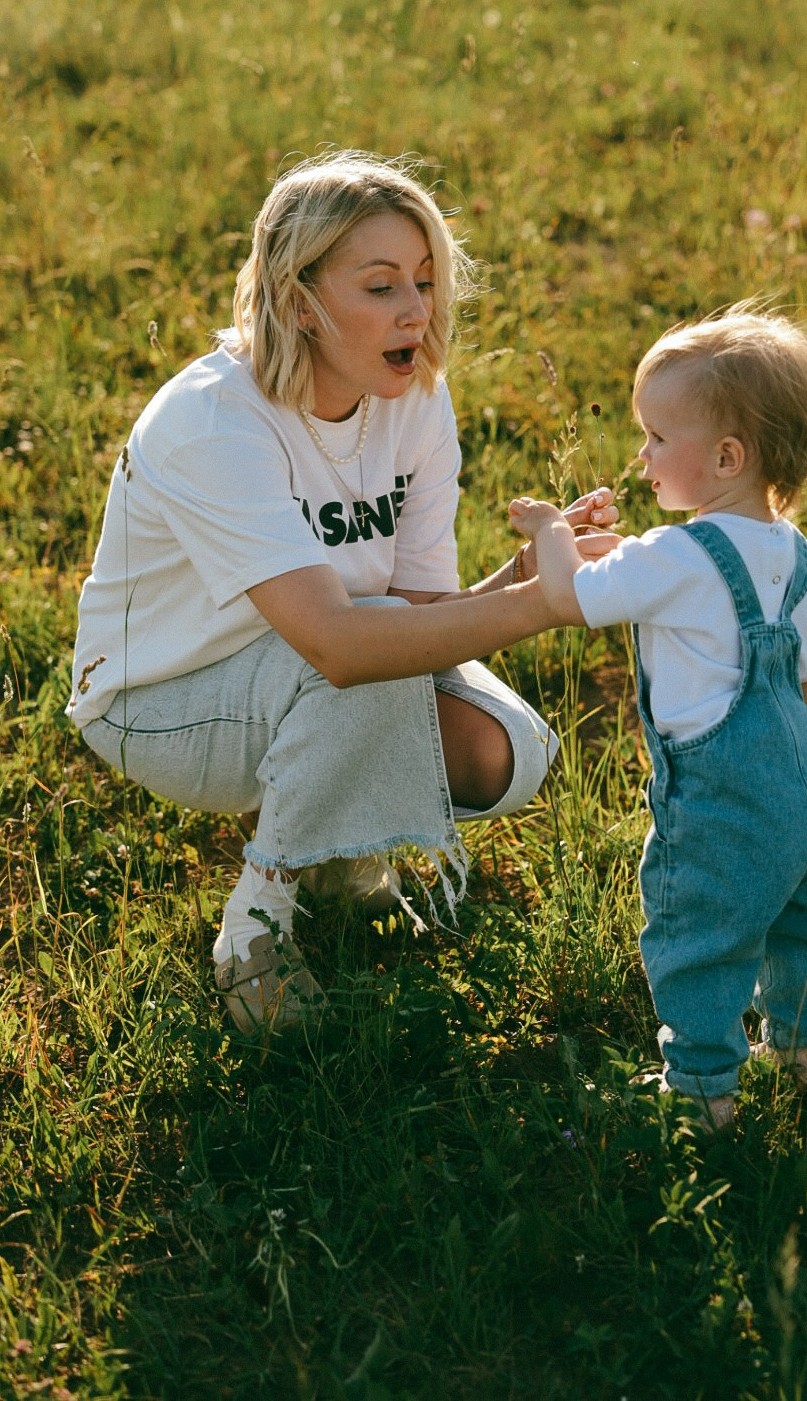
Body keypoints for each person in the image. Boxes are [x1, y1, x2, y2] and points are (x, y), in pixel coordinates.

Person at [68, 150, 617, 1035]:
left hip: (306, 669)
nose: (417, 310)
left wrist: (524, 576)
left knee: (506, 752)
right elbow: (343, 644)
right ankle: (255, 926)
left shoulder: (413, 401)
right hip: (155, 700)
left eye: (427, 281)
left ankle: (338, 852)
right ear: (298, 302)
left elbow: (419, 613)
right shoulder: (213, 418)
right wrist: (540, 606)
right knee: (365, 659)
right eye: (381, 286)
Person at [508, 306, 807, 1132]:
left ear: (727, 457)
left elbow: (569, 596)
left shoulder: (675, 555)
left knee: (700, 936)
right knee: (805, 921)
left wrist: (554, 530)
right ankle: (804, 1051)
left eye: (658, 438)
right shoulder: (804, 557)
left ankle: (704, 1094)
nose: (642, 455)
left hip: (721, 804)